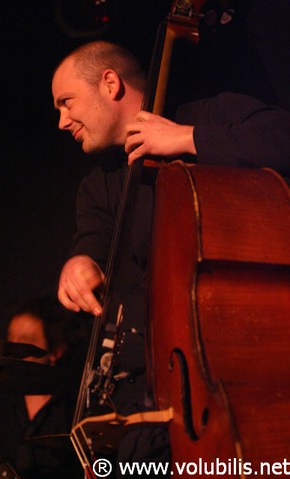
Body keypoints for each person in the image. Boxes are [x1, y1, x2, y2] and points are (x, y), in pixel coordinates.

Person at [52, 40, 290, 476]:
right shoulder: (99, 185)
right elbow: (91, 240)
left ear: (110, 83)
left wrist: (188, 139)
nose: (62, 120)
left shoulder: (210, 116)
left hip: (223, 379)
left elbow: (283, 138)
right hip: (143, 400)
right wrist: (79, 262)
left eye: (66, 103)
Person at [0, 296, 87, 479]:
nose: (13, 353)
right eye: (11, 342)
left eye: (24, 345)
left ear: (56, 351)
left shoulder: (76, 411)